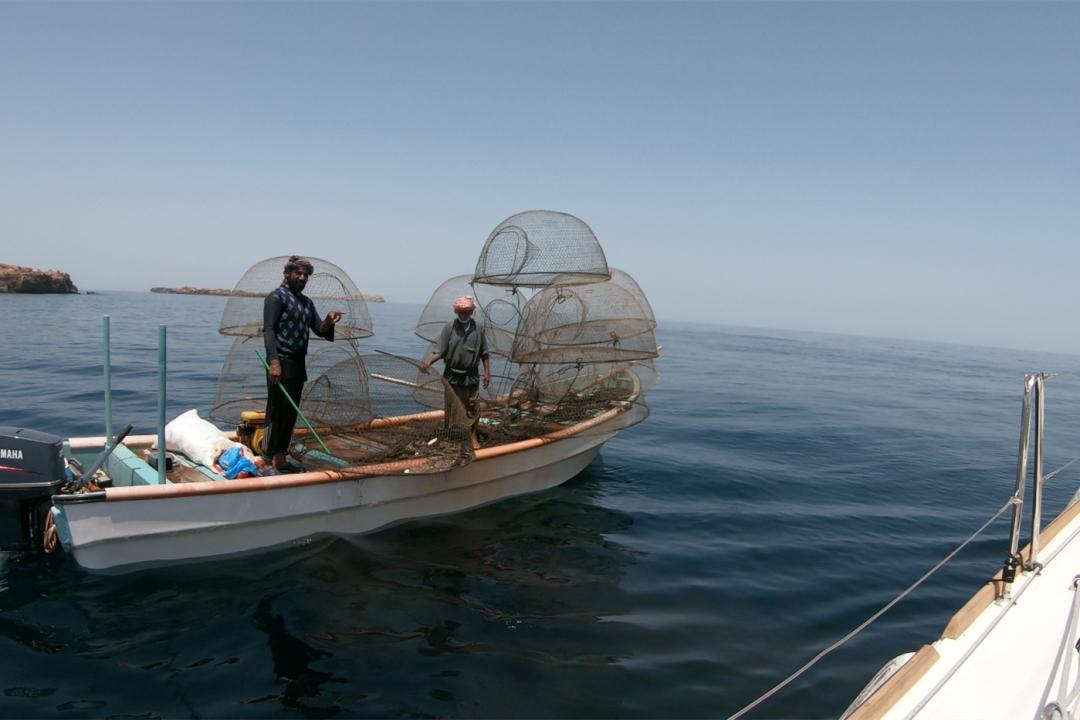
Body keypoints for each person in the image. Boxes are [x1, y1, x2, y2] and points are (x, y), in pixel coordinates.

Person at [263, 256, 342, 473]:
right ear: (287, 273)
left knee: (290, 412)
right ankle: (267, 458)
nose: (302, 278)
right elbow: (269, 331)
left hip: (298, 364)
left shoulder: (307, 303)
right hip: (280, 361)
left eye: (305, 275)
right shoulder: (276, 297)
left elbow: (319, 329)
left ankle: (281, 458)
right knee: (276, 410)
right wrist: (274, 362)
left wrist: (329, 320)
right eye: (298, 273)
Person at [420, 295, 491, 442]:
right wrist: (428, 362)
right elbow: (440, 351)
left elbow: (484, 354)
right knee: (453, 406)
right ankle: (452, 434)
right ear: (456, 312)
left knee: (473, 406)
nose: (463, 315)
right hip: (452, 375)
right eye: (461, 312)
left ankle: (472, 435)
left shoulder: (478, 328)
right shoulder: (449, 327)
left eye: (466, 312)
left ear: (471, 312)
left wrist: (486, 373)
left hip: (471, 375)